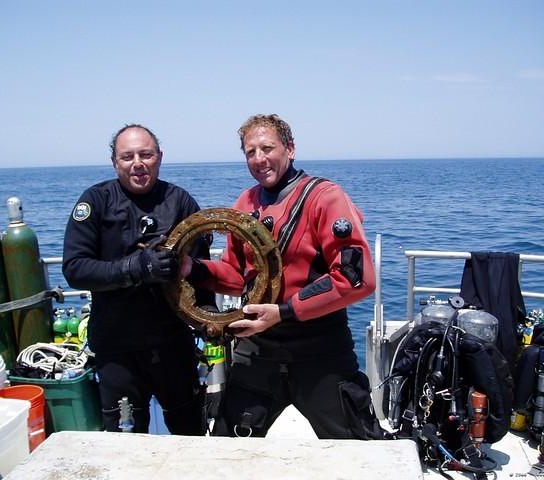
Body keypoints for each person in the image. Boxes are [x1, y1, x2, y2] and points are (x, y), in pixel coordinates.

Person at [183, 114, 382, 439]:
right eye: (250, 152)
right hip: (257, 351)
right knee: (227, 449)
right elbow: (235, 276)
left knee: (355, 452)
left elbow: (355, 279)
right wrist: (195, 269)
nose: (259, 159)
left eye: (267, 148)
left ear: (290, 149)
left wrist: (284, 312)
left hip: (321, 352)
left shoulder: (325, 198)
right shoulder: (245, 203)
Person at [62, 124, 206, 435]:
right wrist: (137, 267)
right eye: (127, 156)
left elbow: (202, 270)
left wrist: (211, 323)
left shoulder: (180, 201)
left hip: (173, 344)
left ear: (159, 157)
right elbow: (75, 269)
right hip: (118, 347)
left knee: (190, 430)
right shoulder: (96, 201)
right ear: (115, 162)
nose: (137, 163)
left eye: (146, 154)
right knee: (124, 438)